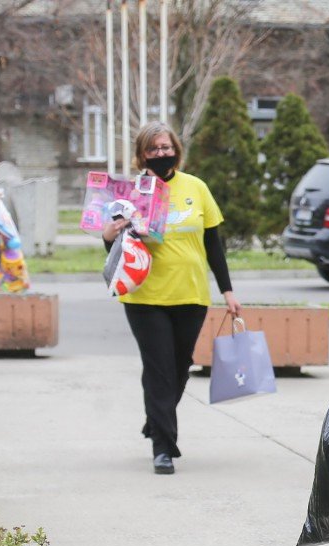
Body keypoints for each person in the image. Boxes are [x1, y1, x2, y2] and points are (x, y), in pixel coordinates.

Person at [103, 121, 242, 476]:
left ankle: (156, 419)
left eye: (166, 147)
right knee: (159, 369)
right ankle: (163, 447)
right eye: (153, 149)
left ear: (176, 150)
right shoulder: (130, 194)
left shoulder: (196, 187)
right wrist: (108, 235)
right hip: (145, 296)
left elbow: (214, 244)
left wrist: (227, 291)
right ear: (142, 154)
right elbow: (118, 248)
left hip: (191, 294)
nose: (161, 153)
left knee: (180, 367)